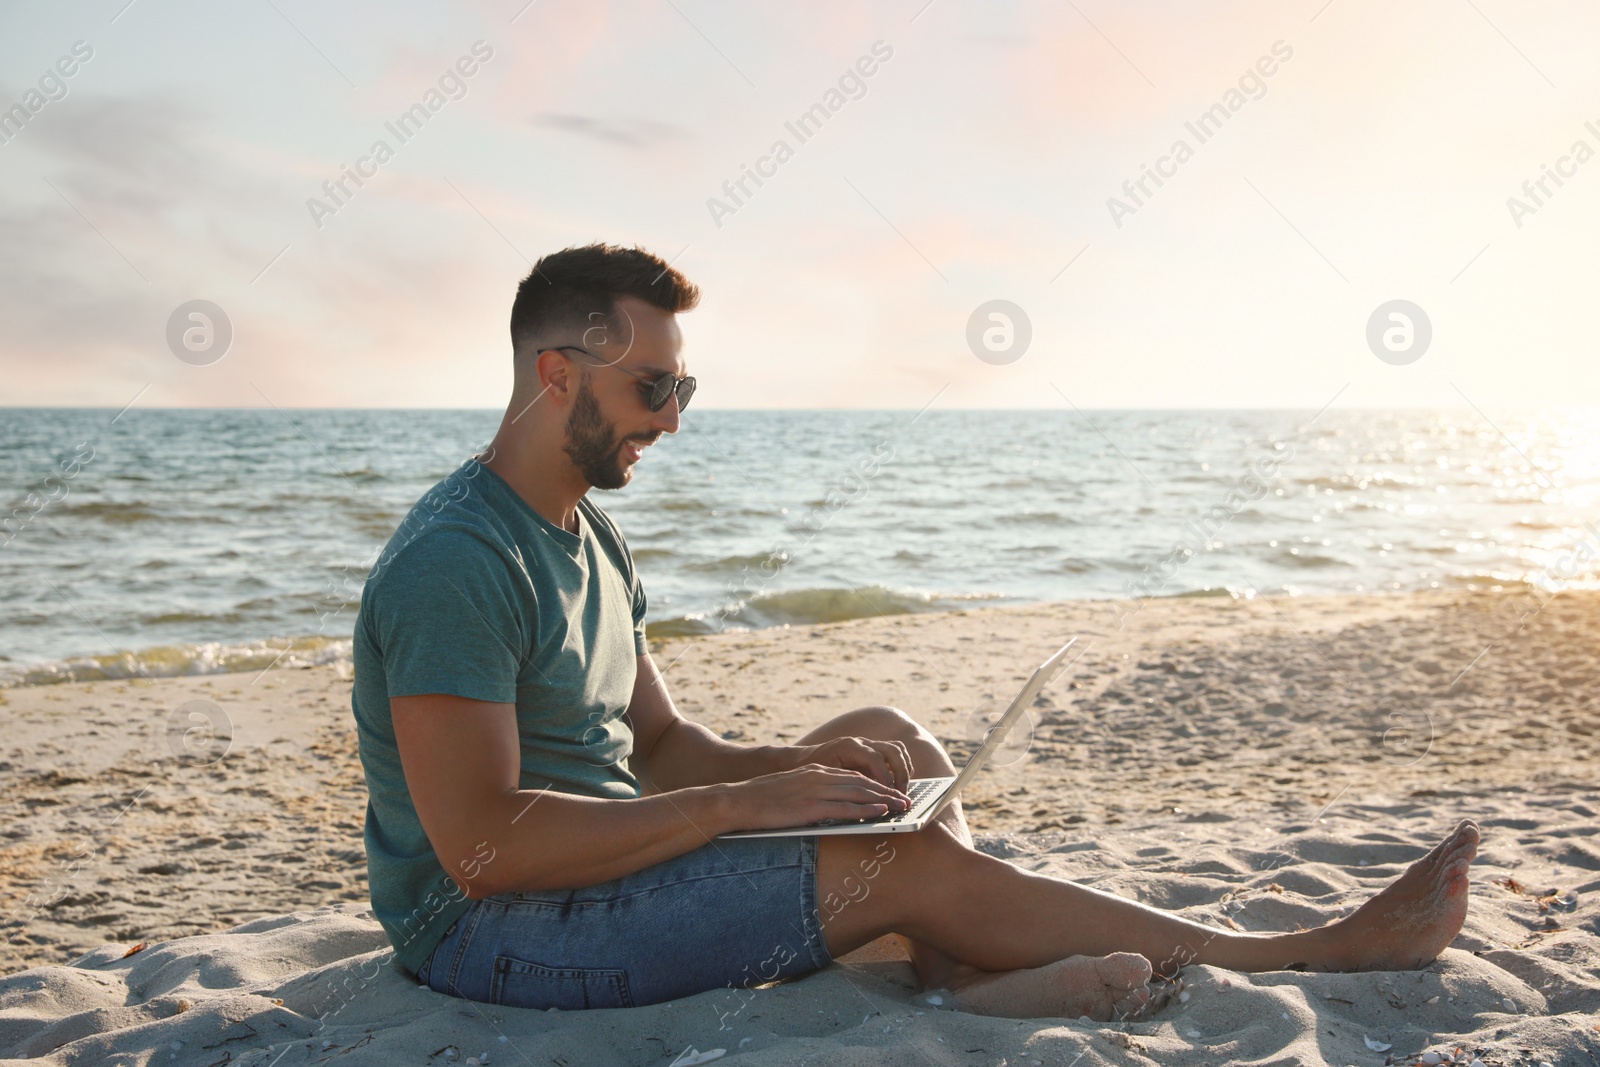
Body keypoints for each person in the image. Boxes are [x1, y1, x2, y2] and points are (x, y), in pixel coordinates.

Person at [349, 242, 1480, 1019]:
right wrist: (742, 806)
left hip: (599, 868)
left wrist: (801, 770)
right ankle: (1300, 950)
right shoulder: (461, 559)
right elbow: (481, 849)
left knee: (882, 736)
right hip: (493, 934)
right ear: (558, 374)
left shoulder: (588, 534)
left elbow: (666, 747)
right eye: (654, 387)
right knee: (888, 851)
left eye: (685, 386)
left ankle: (951, 974)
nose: (674, 419)